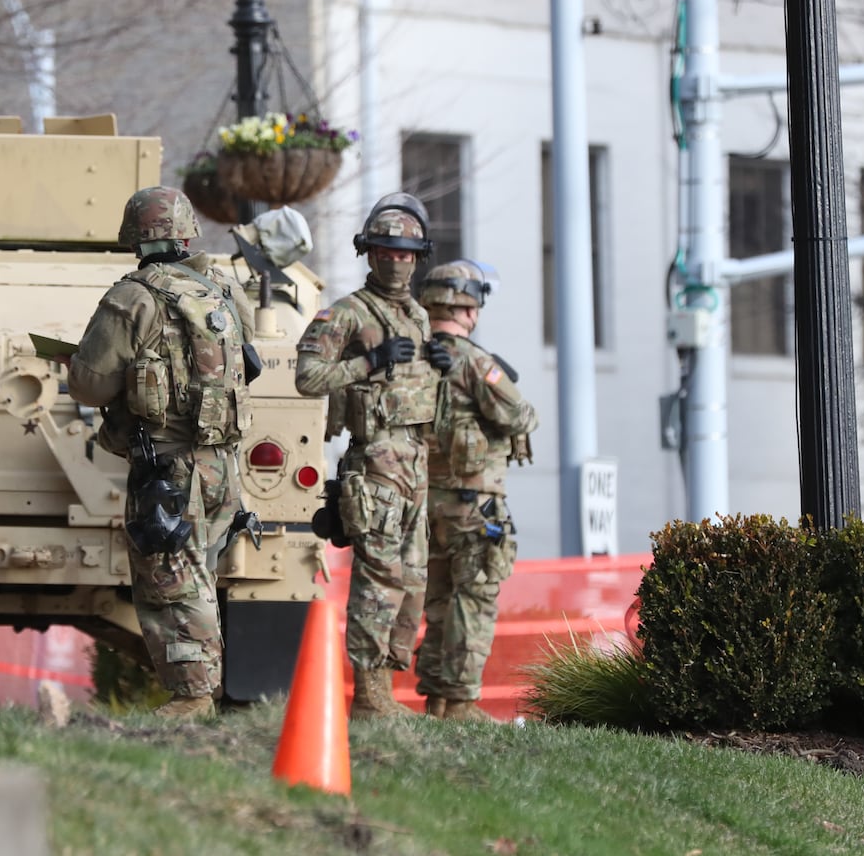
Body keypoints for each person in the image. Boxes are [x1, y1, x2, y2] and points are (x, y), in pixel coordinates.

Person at [65, 185, 256, 721]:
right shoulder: (223, 286)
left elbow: (89, 386)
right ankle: (204, 692)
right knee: (202, 572)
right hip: (222, 464)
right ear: (188, 231)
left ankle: (194, 697)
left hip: (169, 465)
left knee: (171, 578)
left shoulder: (132, 298)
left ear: (133, 237)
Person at [295, 193, 452, 719]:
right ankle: (368, 694)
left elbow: (421, 392)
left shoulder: (418, 317)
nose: (396, 262)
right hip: (377, 463)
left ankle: (385, 684)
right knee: (378, 576)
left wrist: (440, 366)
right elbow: (308, 376)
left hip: (414, 459)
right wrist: (368, 361)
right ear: (370, 254)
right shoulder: (346, 314)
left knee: (411, 579)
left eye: (406, 253)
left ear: (418, 256)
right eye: (386, 252)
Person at [412, 259, 537, 721]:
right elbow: (520, 416)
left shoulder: (411, 358)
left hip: (423, 504)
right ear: (471, 309)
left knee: (439, 601)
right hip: (472, 504)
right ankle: (461, 701)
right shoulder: (475, 362)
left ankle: (437, 700)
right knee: (475, 597)